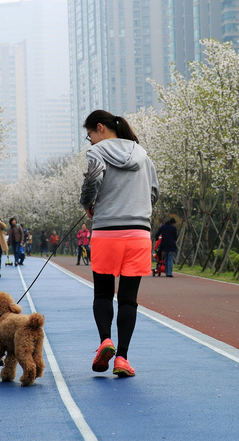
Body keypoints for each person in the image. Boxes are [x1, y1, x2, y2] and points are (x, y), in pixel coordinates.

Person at [79, 110, 159, 378]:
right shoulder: (143, 154)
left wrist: (87, 204)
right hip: (138, 234)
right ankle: (122, 358)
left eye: (89, 134)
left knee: (103, 293)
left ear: (100, 128)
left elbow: (92, 182)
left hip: (106, 232)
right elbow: (154, 193)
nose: (89, 141)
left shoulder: (97, 152)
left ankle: (105, 341)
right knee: (128, 299)